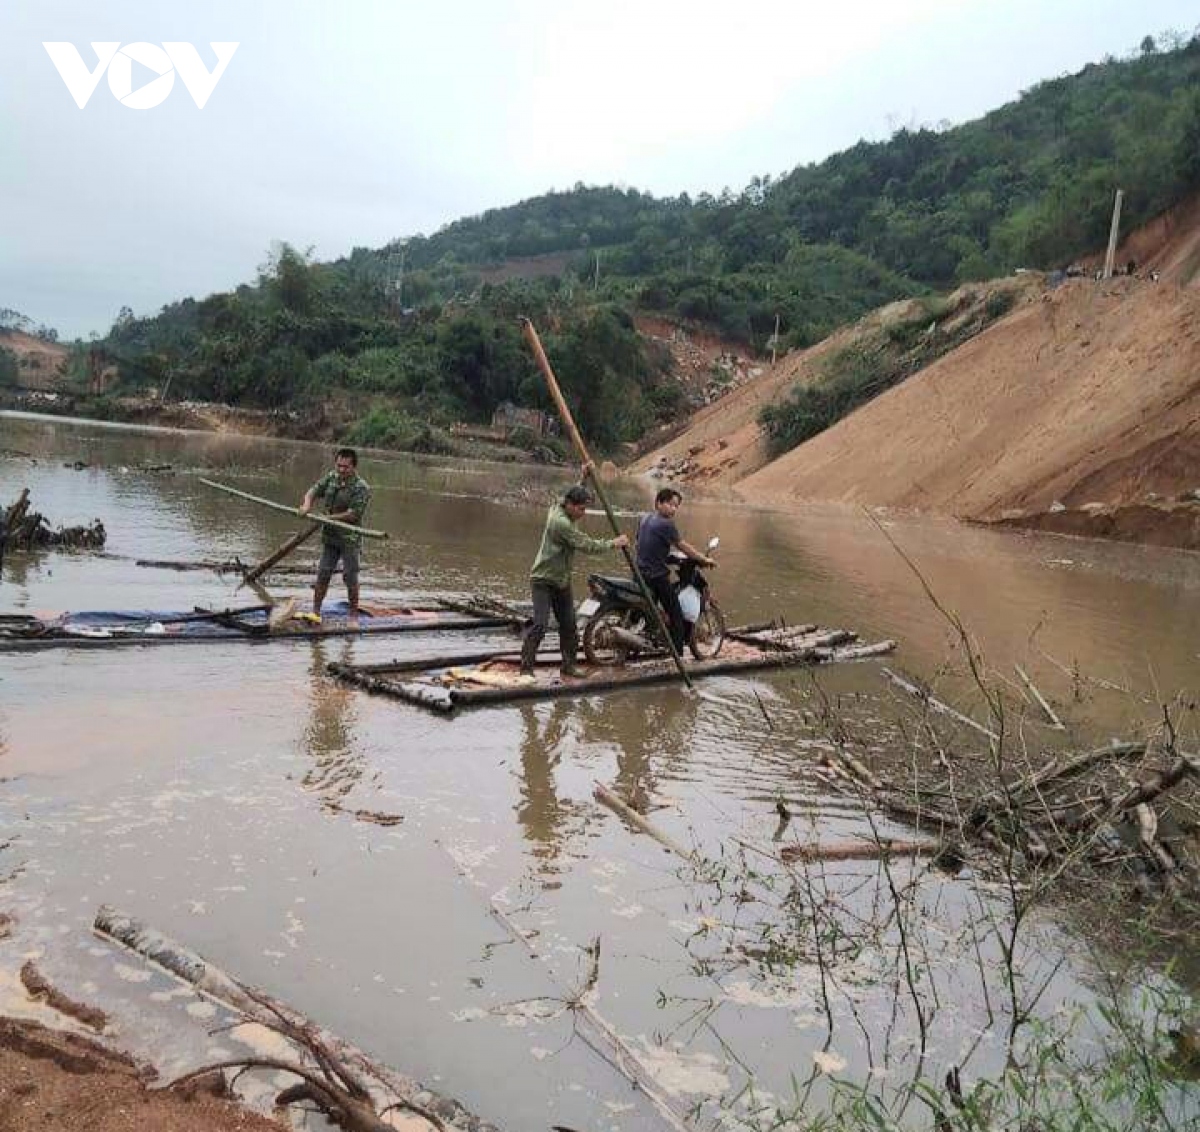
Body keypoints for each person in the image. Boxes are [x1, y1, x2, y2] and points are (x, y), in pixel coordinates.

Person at [520, 481, 628, 678]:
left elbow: (571, 491)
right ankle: (526, 668)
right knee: (540, 625)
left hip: (561, 580)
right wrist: (614, 543)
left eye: (585, 508)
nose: (583, 513)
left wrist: (584, 478)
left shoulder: (560, 506)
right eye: (581, 509)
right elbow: (587, 545)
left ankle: (568, 666)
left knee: (569, 625)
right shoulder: (560, 523)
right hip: (543, 580)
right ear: (570, 505)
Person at [635, 487, 715, 654]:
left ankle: (654, 636)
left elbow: (641, 543)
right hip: (656, 577)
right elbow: (683, 546)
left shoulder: (645, 518)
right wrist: (703, 559)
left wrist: (666, 556)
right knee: (676, 614)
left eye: (676, 506)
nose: (674, 509)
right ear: (658, 503)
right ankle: (677, 654)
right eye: (670, 504)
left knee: (654, 609)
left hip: (640, 573)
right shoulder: (666, 525)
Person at [300, 447, 371, 621]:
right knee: (323, 573)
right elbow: (313, 490)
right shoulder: (332, 478)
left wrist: (327, 518)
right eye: (338, 465)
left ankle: (353, 616)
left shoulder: (361, 488)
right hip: (330, 537)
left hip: (349, 539)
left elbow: (353, 514)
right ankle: (316, 612)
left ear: (354, 467)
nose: (341, 470)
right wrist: (307, 505)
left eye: (345, 467)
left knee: (350, 576)